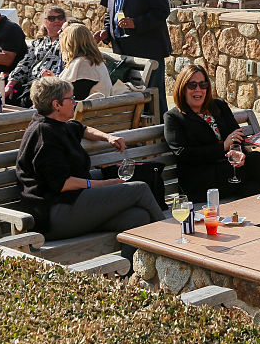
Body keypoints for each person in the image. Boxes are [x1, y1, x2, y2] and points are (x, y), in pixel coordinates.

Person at [16, 76, 164, 261]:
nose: (75, 102)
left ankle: (129, 277)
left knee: (137, 217)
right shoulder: (44, 134)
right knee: (139, 189)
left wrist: (108, 138)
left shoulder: (60, 125)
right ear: (56, 104)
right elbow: (62, 184)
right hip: (54, 214)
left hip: (74, 205)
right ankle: (170, 241)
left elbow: (82, 129)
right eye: (71, 99)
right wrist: (105, 184)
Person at [164, 64, 260, 202]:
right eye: (192, 85)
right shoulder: (174, 117)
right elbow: (183, 153)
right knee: (255, 159)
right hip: (201, 180)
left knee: (253, 188)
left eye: (203, 85)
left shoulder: (218, 106)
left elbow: (237, 135)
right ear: (182, 88)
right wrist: (223, 148)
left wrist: (238, 152)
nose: (198, 89)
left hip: (229, 173)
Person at [95, 0, 172, 120]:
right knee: (129, 97)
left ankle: (162, 133)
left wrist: (136, 23)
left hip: (147, 50)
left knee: (154, 98)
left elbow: (161, 12)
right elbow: (110, 13)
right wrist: (106, 31)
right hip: (123, 51)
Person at [4, 4, 66, 107]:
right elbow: (24, 64)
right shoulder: (37, 43)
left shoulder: (67, 42)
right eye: (51, 18)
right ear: (45, 23)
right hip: (30, 84)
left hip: (49, 88)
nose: (57, 21)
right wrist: (10, 85)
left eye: (60, 17)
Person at [58, 22, 112, 100]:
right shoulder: (91, 60)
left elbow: (78, 98)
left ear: (69, 43)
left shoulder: (83, 64)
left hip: (88, 110)